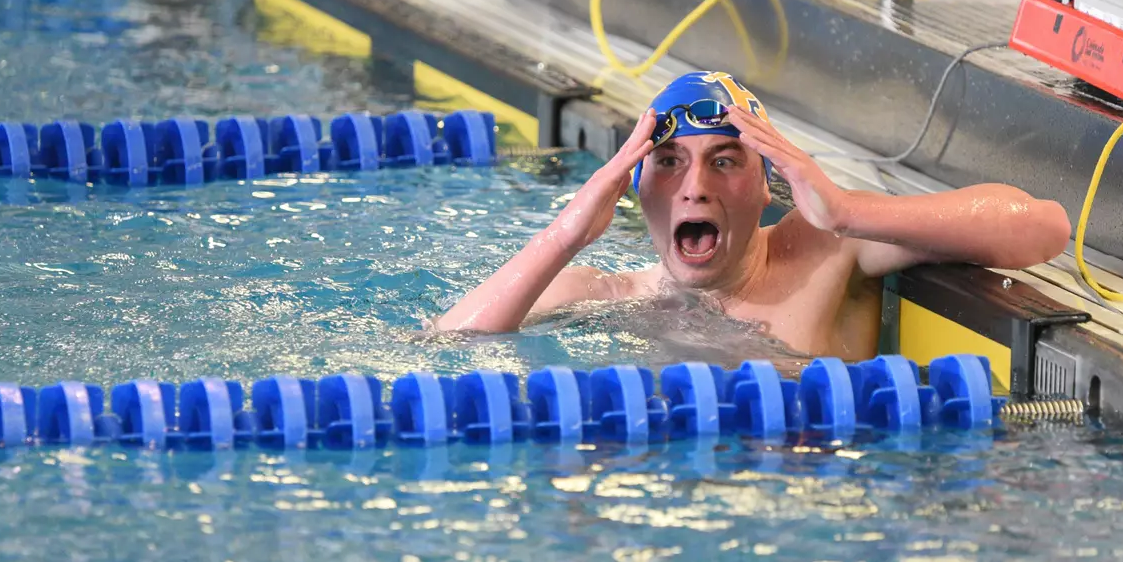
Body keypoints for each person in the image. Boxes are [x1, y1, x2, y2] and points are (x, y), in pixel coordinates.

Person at [432, 71, 1072, 359]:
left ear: (769, 187)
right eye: (669, 163)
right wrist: (567, 233)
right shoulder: (606, 294)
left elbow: (1042, 227)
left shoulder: (823, 250)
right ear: (637, 191)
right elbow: (442, 350)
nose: (695, 188)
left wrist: (847, 210)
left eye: (726, 161)